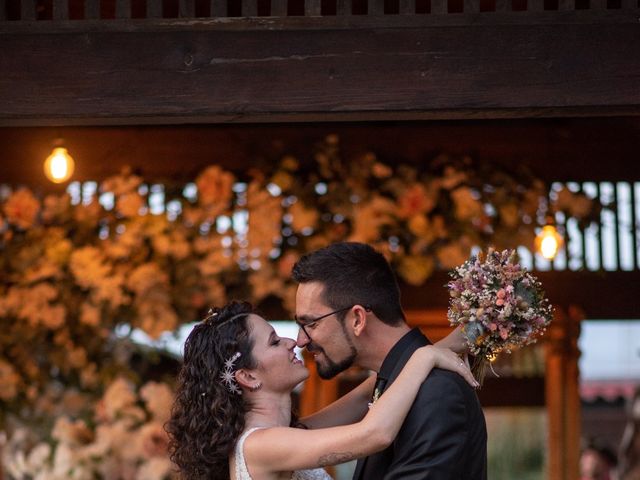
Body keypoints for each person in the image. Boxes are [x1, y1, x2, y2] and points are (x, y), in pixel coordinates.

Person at [166, 301, 478, 480]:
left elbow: (376, 386)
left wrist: (473, 331)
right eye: (275, 341)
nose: (293, 342)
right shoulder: (258, 446)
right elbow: (374, 434)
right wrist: (425, 357)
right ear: (247, 376)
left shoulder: (288, 434)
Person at [292, 241, 488, 479]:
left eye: (311, 323)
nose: (301, 340)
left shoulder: (438, 391)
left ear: (357, 319)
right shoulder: (395, 382)